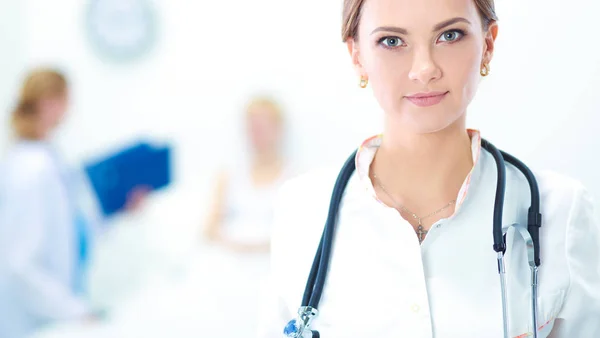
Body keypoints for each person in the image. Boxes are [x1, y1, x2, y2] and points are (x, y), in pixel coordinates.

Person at [257, 0, 600, 337]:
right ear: (357, 56)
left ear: (488, 44)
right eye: (392, 41)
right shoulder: (301, 211)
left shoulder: (561, 212)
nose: (424, 68)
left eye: (449, 35)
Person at [0, 68, 145, 338]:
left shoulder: (48, 159)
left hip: (51, 315)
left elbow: (70, 231)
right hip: (30, 322)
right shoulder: (30, 169)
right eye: (67, 100)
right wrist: (73, 311)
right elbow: (19, 263)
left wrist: (120, 211)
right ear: (49, 103)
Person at [203, 95, 292, 253]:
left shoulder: (294, 178)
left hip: (272, 258)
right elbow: (210, 229)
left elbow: (299, 231)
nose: (257, 133)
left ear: (278, 128)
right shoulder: (228, 175)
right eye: (252, 127)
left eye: (263, 126)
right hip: (229, 256)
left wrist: (258, 249)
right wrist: (235, 247)